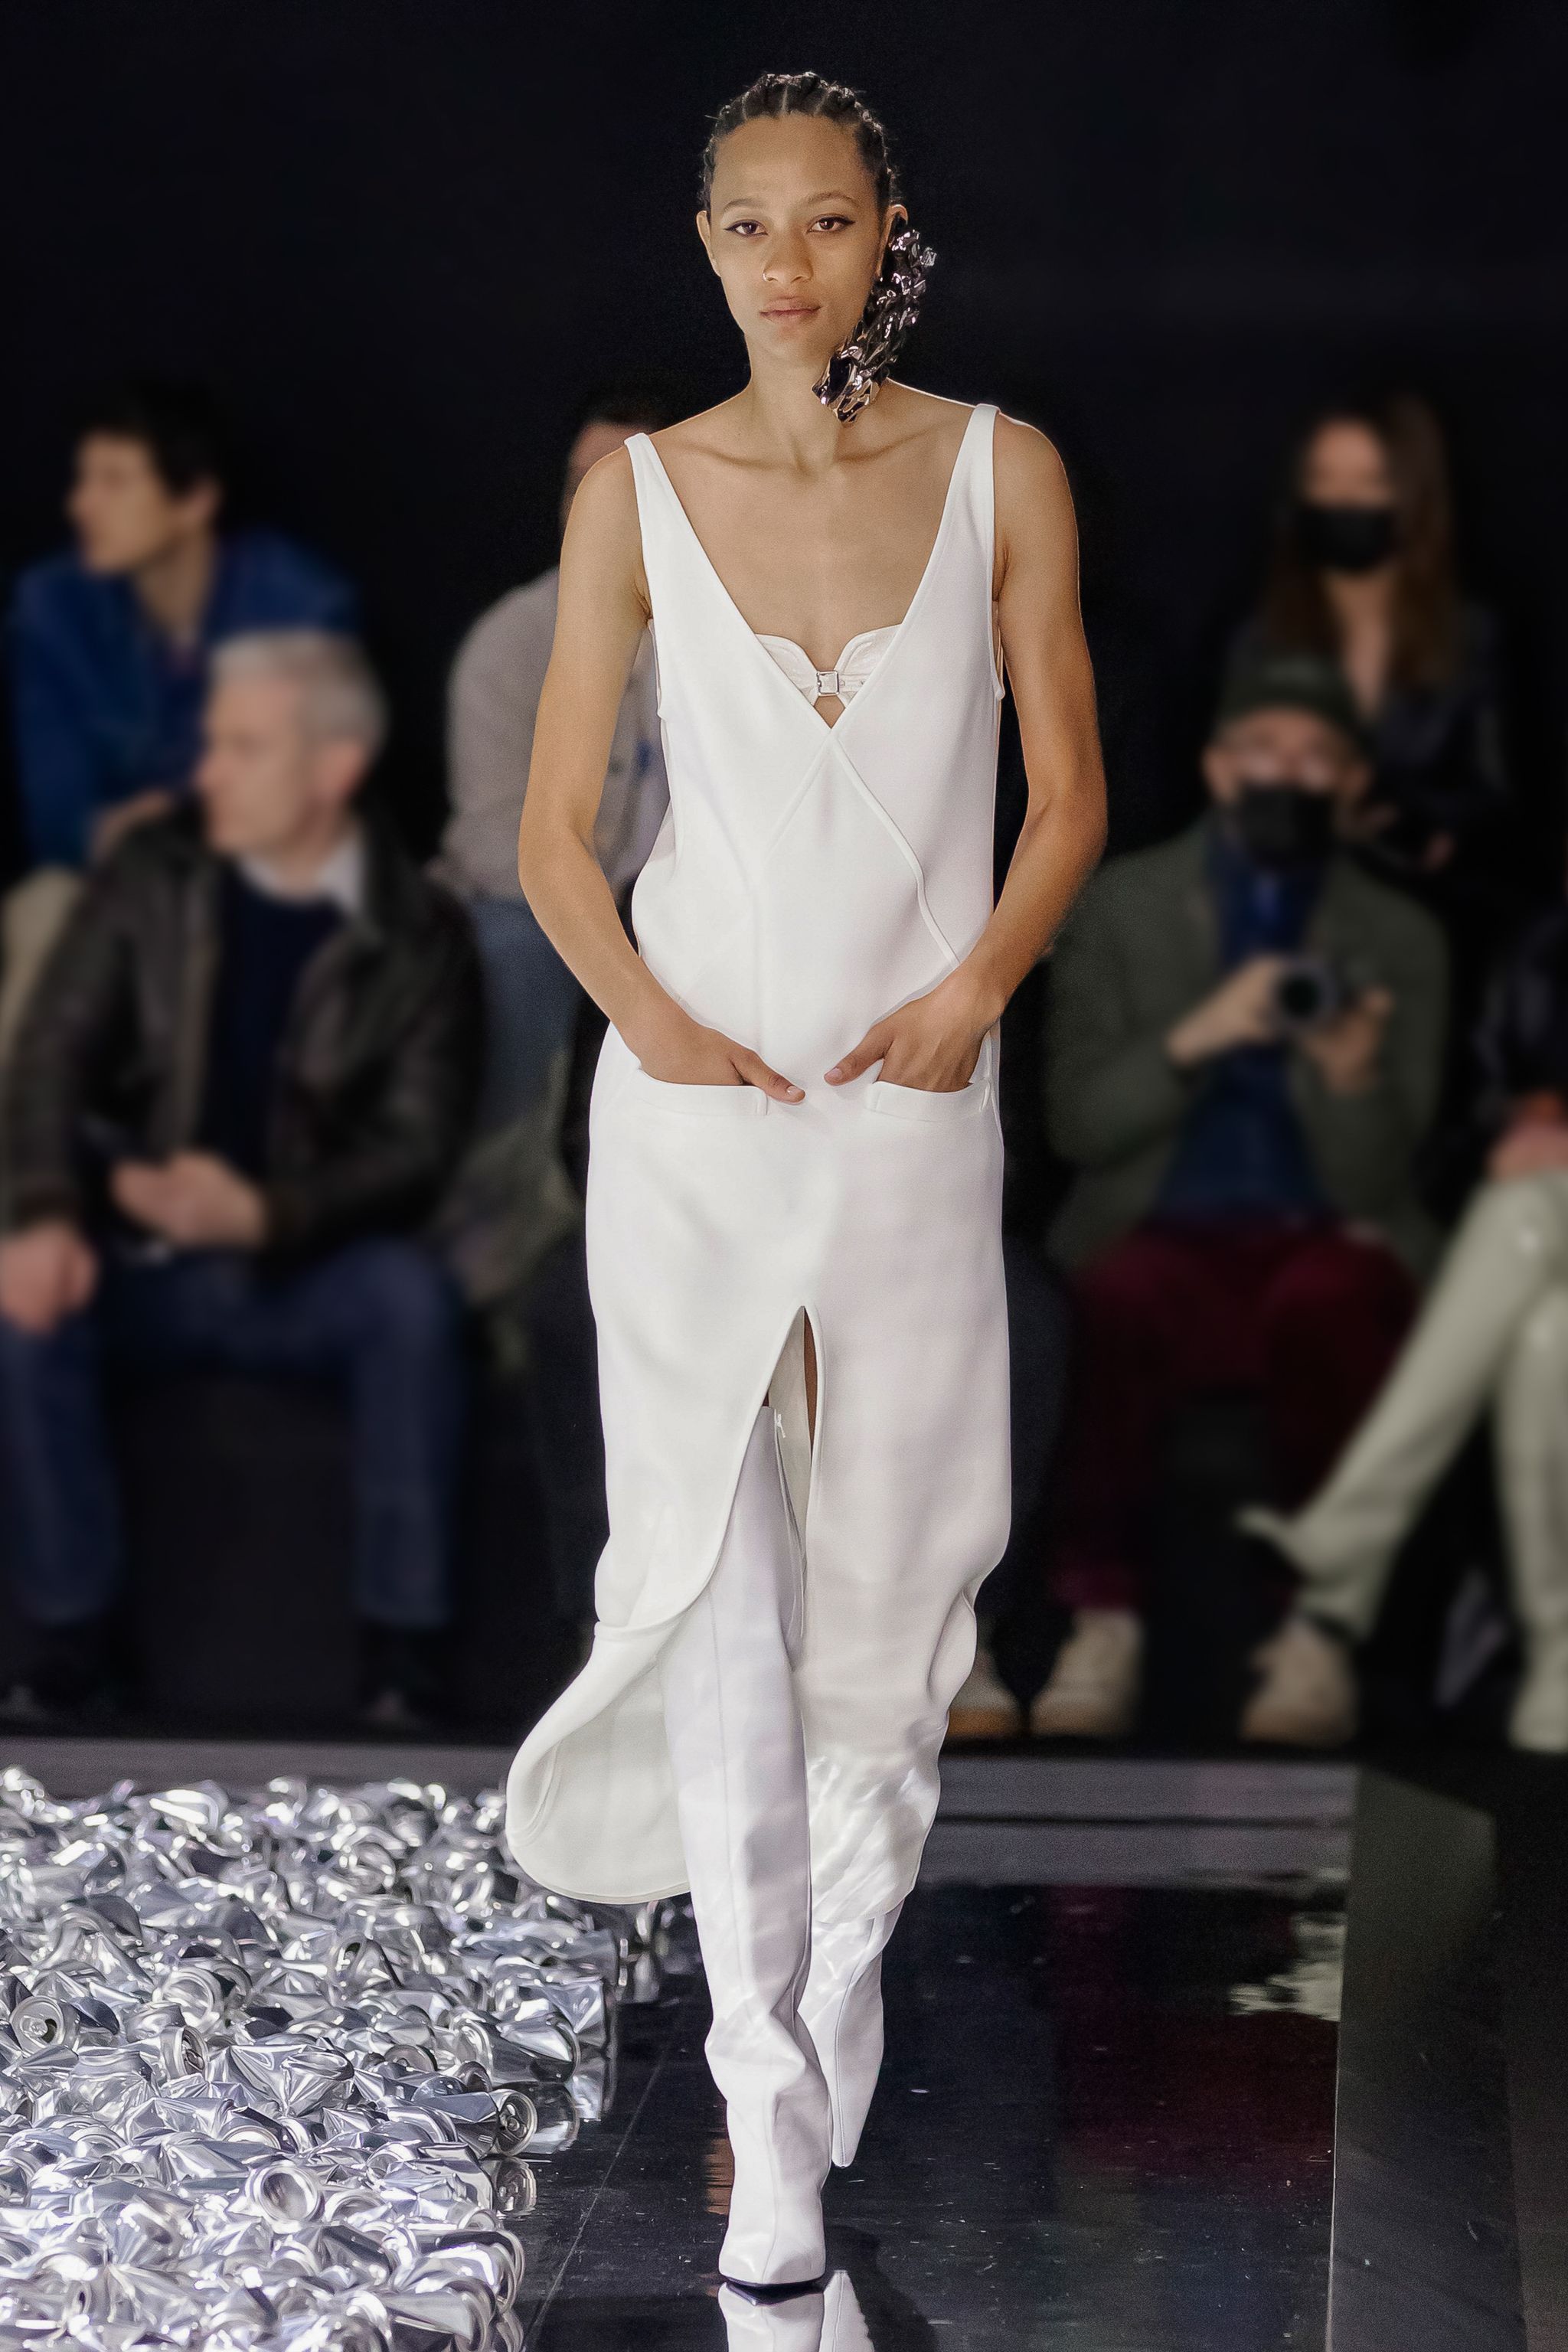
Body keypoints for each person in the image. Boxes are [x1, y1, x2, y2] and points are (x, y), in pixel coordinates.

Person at [502, 72, 1105, 2296]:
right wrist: (642, 1022)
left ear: (882, 237)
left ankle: (825, 1978)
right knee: (725, 1594)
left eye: (823, 221)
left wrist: (973, 997)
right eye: (745, 223)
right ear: (702, 245)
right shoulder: (637, 498)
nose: (783, 261)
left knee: (887, 1605)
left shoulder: (995, 468)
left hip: (904, 1109)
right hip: (690, 1111)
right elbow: (559, 829)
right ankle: (764, 2101)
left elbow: (1065, 794)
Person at [0, 632, 481, 1730]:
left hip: (303, 1265)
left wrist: (266, 1211)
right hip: (143, 1258)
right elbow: (49, 1057)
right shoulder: (152, 876)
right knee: (21, 1310)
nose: (205, 772)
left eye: (242, 748)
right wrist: (44, 1214)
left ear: (334, 768)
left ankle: (404, 1664)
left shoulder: (420, 935)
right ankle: (76, 1646)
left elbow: (418, 1145)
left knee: (410, 1303)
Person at [1034, 648, 1448, 1744]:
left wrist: (1352, 1075)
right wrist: (1201, 1035)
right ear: (1218, 769)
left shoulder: (1397, 935)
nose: (1286, 778)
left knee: (1337, 1301)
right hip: (1161, 1226)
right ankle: (1101, 1620)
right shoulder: (1121, 905)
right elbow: (1079, 1123)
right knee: (1115, 1299)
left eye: (1316, 760)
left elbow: (1380, 1173)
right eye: (1262, 754)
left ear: (1353, 786)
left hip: (1324, 1229)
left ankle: (1314, 1631)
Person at [1242, 896, 1568, 1753]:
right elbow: (1454, 1141)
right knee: (1546, 1337)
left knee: (1522, 1219)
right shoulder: (1540, 953)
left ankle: (1341, 1542)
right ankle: (1560, 1678)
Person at [2, 379, 357, 1055]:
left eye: (113, 482)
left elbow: (301, 798)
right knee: (45, 913)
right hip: (100, 876)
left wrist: (167, 823)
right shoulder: (53, 605)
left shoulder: (297, 603)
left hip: (255, 873)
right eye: (83, 479)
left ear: (193, 501)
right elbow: (57, 811)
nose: (81, 505)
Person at [1235, 395, 1510, 929]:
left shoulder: (1471, 635)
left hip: (1436, 903)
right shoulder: (1258, 637)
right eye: (1325, 478)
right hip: (1284, 905)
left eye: (1369, 481)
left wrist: (1424, 823)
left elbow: (1497, 791)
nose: (1344, 500)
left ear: (1412, 494)